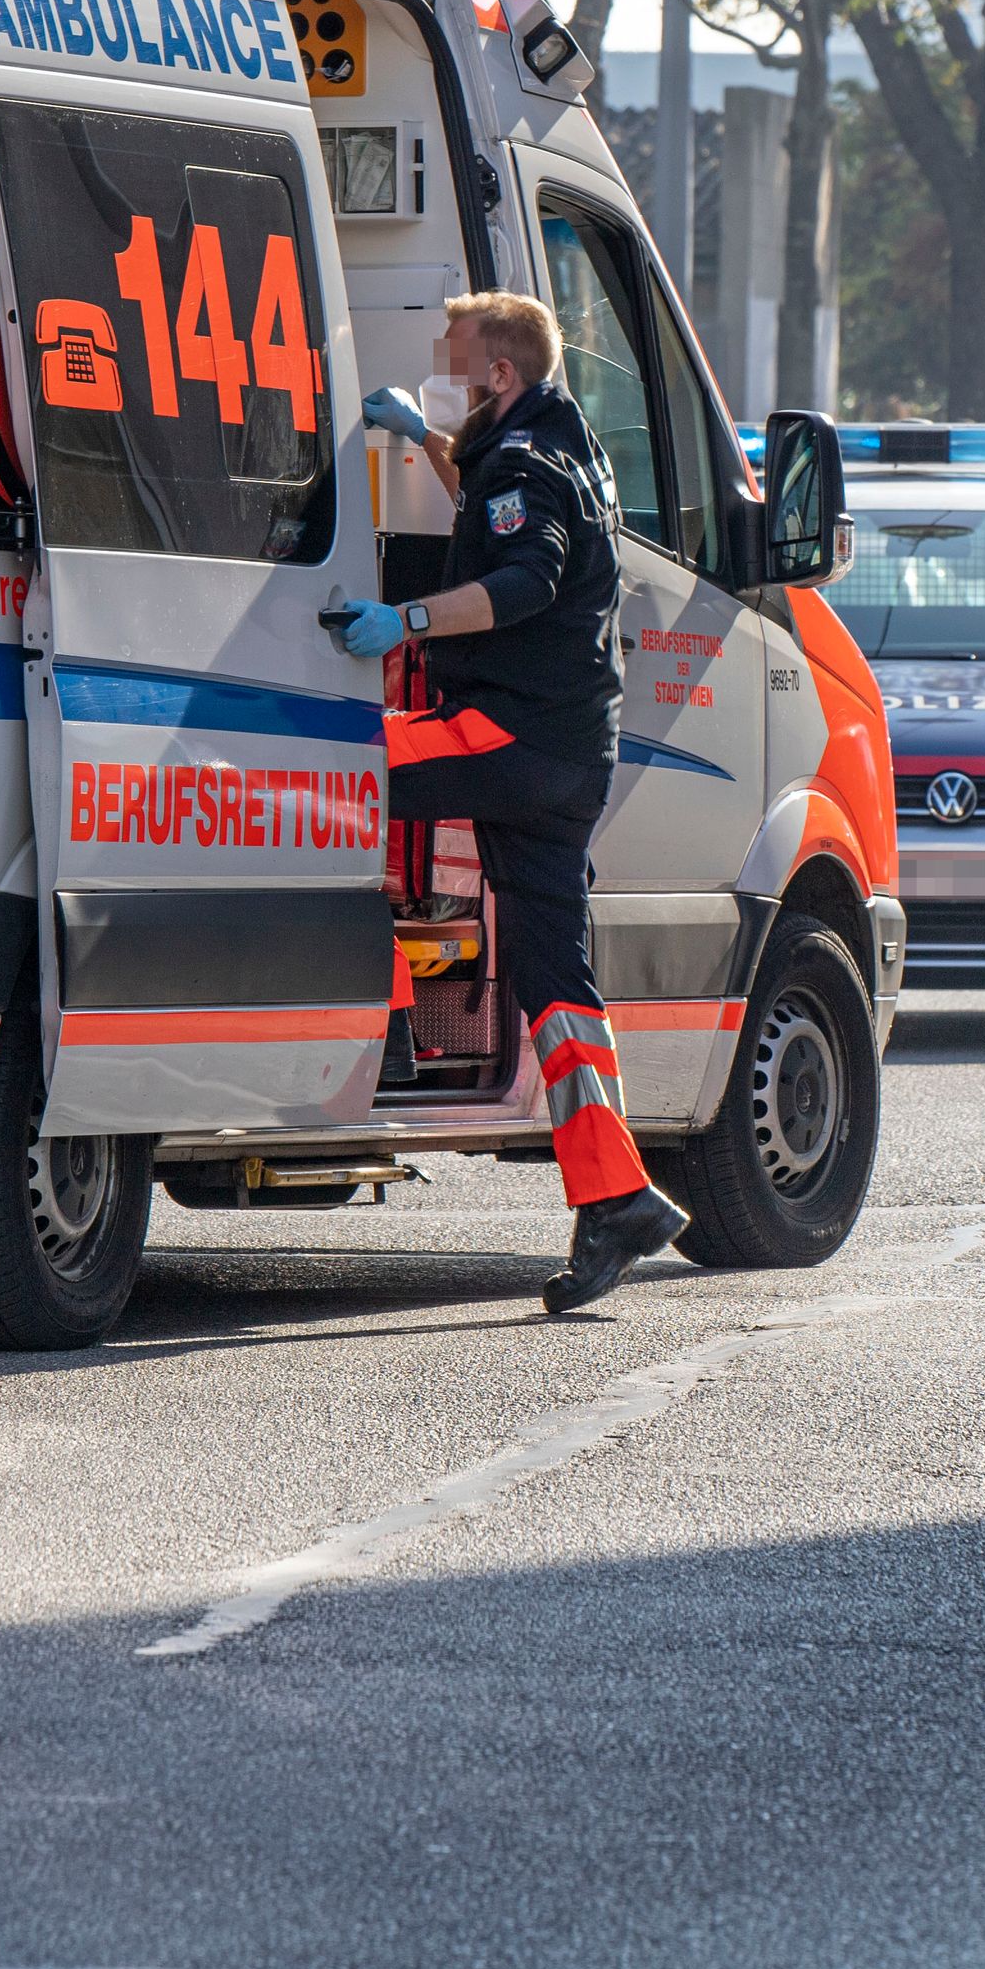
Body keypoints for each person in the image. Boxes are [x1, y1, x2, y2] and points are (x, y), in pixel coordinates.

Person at [321, 291, 688, 1315]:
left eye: (452, 356)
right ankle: (615, 1196)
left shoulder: (526, 467)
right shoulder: (549, 452)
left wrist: (406, 620)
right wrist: (425, 439)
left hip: (510, 734)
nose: (441, 364)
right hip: (570, 755)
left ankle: (373, 1007)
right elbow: (492, 500)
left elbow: (525, 576)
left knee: (320, 773)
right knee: (551, 975)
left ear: (499, 374)